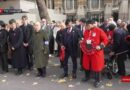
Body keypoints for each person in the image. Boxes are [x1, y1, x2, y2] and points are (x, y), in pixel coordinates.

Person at [81, 20, 108, 88]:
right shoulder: (86, 31)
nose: (86, 27)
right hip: (87, 52)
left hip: (96, 52)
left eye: (87, 26)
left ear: (91, 25)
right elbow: (85, 39)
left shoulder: (99, 30)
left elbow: (105, 39)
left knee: (97, 66)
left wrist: (101, 46)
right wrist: (82, 42)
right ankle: (87, 77)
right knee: (86, 64)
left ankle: (98, 80)